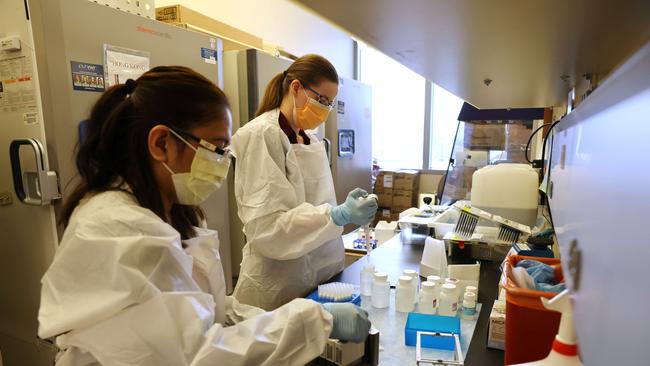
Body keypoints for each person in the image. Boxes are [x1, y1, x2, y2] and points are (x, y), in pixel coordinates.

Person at [37, 66, 370, 365]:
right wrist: (313, 321)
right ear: (161, 143)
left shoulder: (174, 214)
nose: (223, 163)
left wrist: (305, 316)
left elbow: (211, 310)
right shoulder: (119, 230)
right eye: (217, 148)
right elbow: (197, 355)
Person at [231, 54, 378, 310]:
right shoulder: (262, 135)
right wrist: (337, 216)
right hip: (275, 287)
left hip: (318, 278)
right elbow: (268, 229)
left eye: (329, 103)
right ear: (296, 88)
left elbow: (315, 203)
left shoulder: (310, 139)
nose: (324, 109)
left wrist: (341, 211)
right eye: (321, 99)